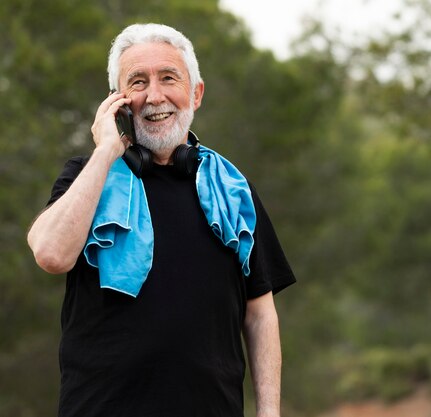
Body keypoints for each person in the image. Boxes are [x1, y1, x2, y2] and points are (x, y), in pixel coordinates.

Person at [27, 23, 295, 417]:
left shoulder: (233, 190)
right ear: (116, 101)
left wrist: (269, 413)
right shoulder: (86, 177)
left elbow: (259, 313)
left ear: (196, 93)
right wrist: (106, 152)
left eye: (169, 77)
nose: (154, 96)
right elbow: (51, 254)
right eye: (137, 82)